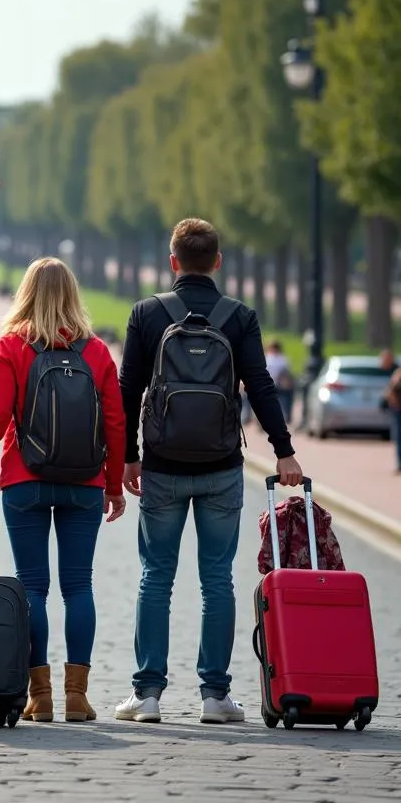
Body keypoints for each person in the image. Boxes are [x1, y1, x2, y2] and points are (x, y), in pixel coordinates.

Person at [116, 217, 303, 725]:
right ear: (217, 262)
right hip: (222, 465)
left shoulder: (148, 314)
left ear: (172, 261)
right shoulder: (238, 316)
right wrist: (284, 450)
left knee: (156, 577)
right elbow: (261, 386)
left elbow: (128, 391)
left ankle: (148, 693)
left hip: (160, 465)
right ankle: (215, 696)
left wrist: (127, 457)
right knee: (217, 580)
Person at [0, 257, 126, 723]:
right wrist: (113, 485)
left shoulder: (12, 345)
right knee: (79, 585)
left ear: (25, 293)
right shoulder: (97, 352)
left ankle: (39, 695)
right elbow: (115, 423)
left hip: (24, 478)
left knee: (33, 588)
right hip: (84, 483)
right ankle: (78, 696)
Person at [380, 348, 401, 473]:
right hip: (396, 408)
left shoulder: (396, 371)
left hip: (398, 408)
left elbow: (391, 390)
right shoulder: (391, 371)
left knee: (398, 436)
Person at [265, 340, 295, 424]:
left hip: (280, 384)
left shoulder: (283, 359)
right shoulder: (266, 358)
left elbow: (287, 373)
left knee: (286, 396)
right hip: (268, 384)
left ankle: (286, 416)